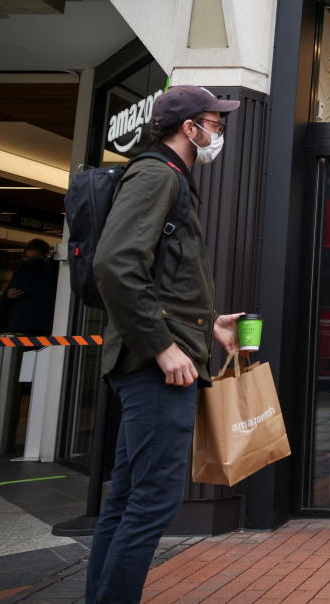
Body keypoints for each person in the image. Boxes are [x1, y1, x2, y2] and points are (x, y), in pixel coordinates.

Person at [87, 85, 243, 604]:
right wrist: (163, 346)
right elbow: (115, 264)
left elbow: (161, 278)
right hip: (156, 369)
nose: (219, 130)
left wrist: (207, 327)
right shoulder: (156, 175)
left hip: (160, 358)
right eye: (213, 122)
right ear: (187, 127)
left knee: (130, 498)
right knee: (152, 502)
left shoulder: (172, 178)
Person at [4, 238, 58, 334]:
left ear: (45, 256)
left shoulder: (55, 273)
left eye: (35, 258)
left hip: (41, 326)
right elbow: (5, 298)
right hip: (21, 325)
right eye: (28, 258)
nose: (31, 262)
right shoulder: (20, 272)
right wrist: (7, 295)